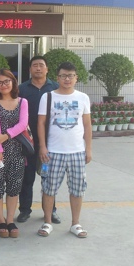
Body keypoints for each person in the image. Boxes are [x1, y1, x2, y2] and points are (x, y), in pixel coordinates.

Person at [37, 62, 92, 239]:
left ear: (76, 78)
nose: (67, 79)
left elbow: (87, 124)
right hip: (53, 152)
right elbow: (41, 123)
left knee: (77, 189)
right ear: (57, 78)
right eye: (63, 76)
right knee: (49, 188)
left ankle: (75, 223)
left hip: (77, 152)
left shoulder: (83, 97)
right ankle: (47, 222)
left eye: (70, 76)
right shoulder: (48, 97)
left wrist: (88, 148)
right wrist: (43, 147)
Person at [0, 69, 29, 239]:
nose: (3, 85)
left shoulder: (22, 102)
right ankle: (0, 220)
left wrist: (7, 135)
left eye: (7, 81)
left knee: (14, 187)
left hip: (17, 151)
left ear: (13, 82)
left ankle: (10, 219)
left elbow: (23, 124)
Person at [17, 56, 61, 224]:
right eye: (34, 65)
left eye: (41, 65)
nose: (38, 68)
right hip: (27, 142)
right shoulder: (22, 89)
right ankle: (24, 210)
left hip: (49, 142)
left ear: (47, 69)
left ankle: (51, 211)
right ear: (30, 69)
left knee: (48, 178)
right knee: (26, 178)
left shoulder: (55, 88)